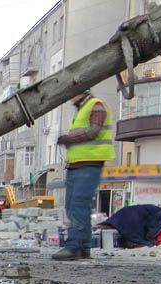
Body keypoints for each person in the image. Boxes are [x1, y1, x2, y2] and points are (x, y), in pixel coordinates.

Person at [52, 90, 114, 260]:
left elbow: (93, 131)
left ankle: (74, 246)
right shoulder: (83, 109)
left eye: (73, 93)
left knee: (78, 205)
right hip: (77, 164)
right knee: (74, 206)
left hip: (89, 163)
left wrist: (69, 138)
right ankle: (83, 248)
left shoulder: (96, 105)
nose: (71, 97)